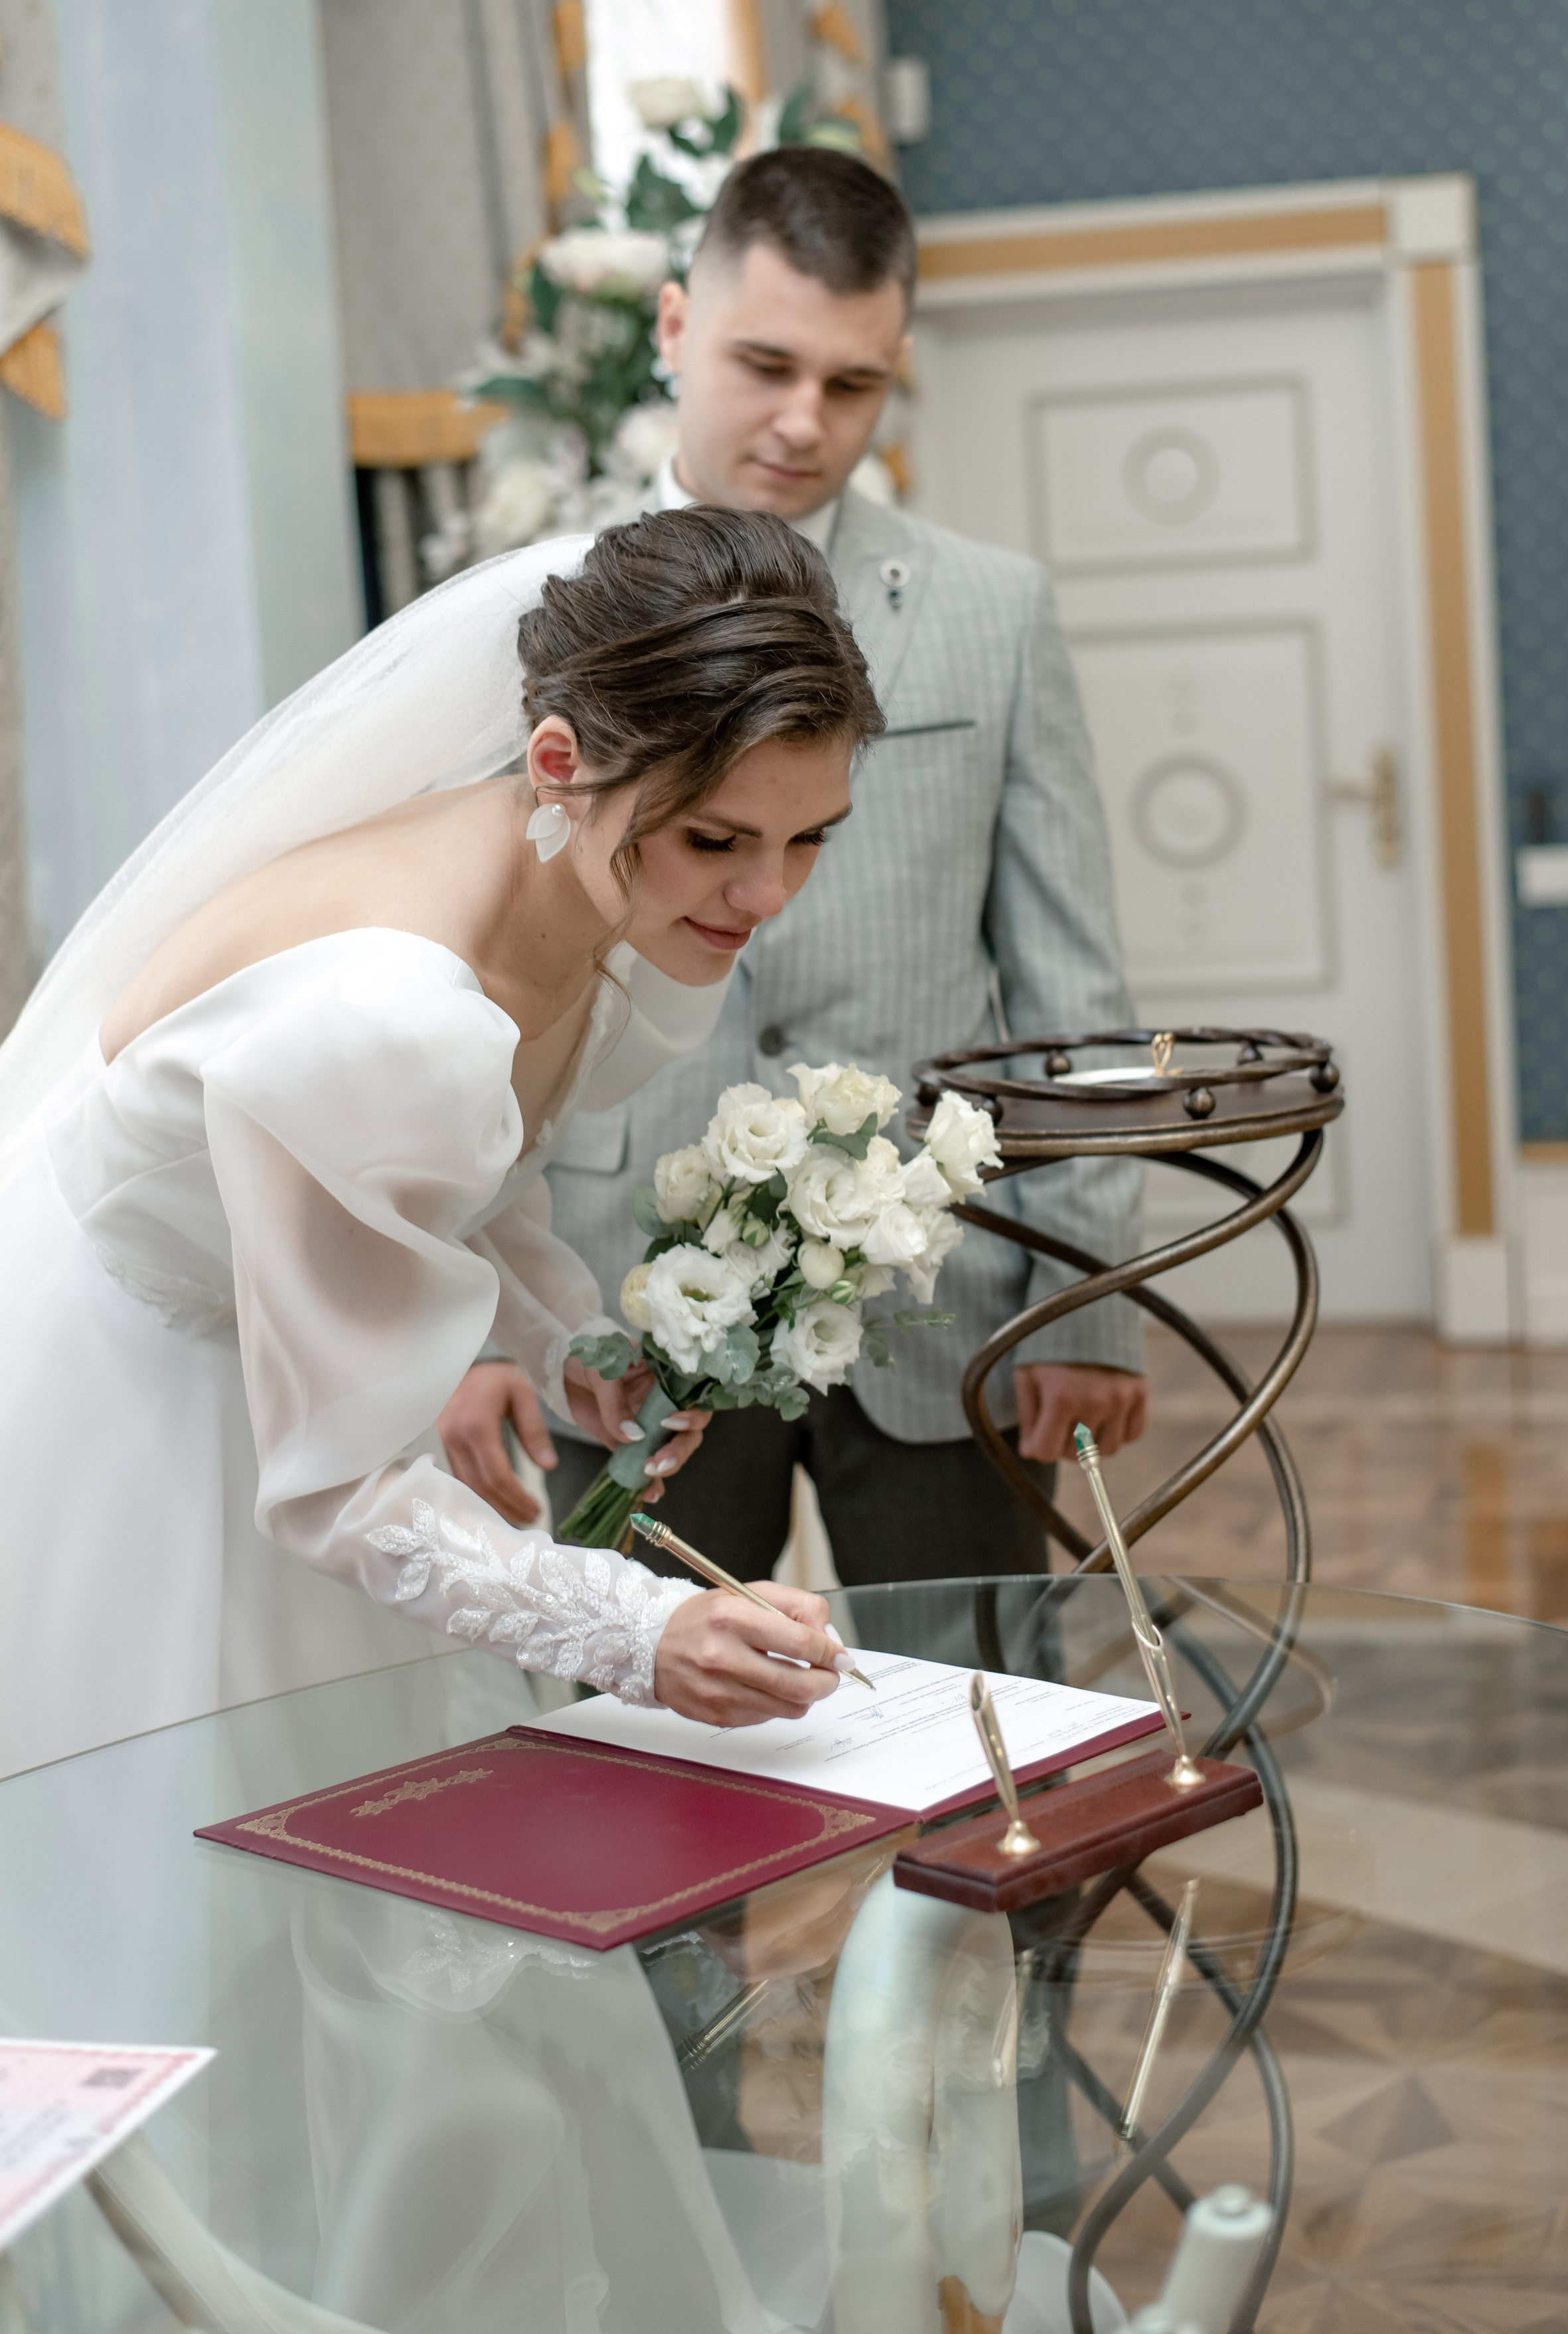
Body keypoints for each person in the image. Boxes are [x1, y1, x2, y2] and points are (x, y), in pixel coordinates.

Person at [0, 507, 884, 1782]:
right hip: (133, 1403)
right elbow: (335, 1489)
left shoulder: (567, 871)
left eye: (809, 837)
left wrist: (558, 1332)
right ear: (560, 759)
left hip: (296, 1355)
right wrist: (646, 1631)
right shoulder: (387, 1012)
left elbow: (459, 1161)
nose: (769, 896)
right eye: (718, 840)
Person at [439, 146, 1146, 1585]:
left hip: (948, 1286)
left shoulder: (991, 610)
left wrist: (1085, 1302)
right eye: (765, 364)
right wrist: (477, 1313)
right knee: (647, 1749)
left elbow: (1071, 978)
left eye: (853, 384)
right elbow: (468, 981)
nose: (802, 420)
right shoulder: (529, 613)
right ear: (672, 328)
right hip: (618, 1279)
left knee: (985, 1725)